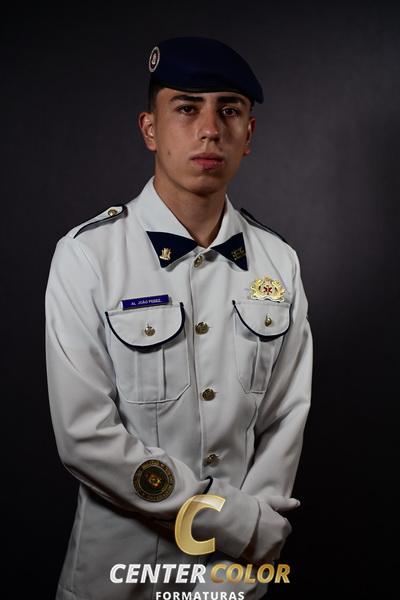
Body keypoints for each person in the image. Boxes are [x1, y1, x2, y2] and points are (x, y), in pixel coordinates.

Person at [45, 36, 313, 600]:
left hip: (232, 578)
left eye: (229, 111)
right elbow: (85, 437)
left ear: (249, 134)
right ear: (150, 129)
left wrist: (249, 544)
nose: (210, 129)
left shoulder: (278, 263)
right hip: (116, 578)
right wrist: (232, 520)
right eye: (187, 108)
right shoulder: (88, 256)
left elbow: (286, 418)